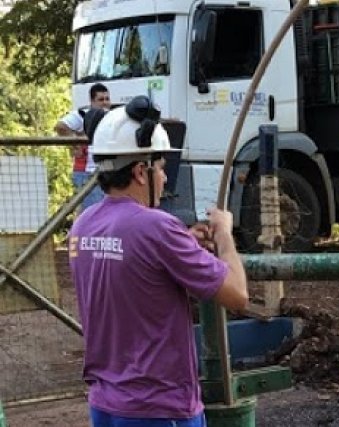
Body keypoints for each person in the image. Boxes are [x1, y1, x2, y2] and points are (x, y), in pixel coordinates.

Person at [68, 96, 249, 426]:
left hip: (106, 404)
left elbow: (133, 264)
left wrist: (183, 244)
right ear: (140, 171)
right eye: (162, 168)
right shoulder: (157, 226)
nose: (165, 179)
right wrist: (224, 235)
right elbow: (237, 295)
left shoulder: (83, 224)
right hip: (160, 407)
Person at [55, 83, 111, 211]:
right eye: (101, 99)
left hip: (105, 172)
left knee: (99, 212)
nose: (105, 102)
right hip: (86, 172)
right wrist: (75, 144)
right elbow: (61, 126)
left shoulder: (110, 117)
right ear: (92, 101)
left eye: (107, 99)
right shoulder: (82, 115)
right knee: (92, 213)